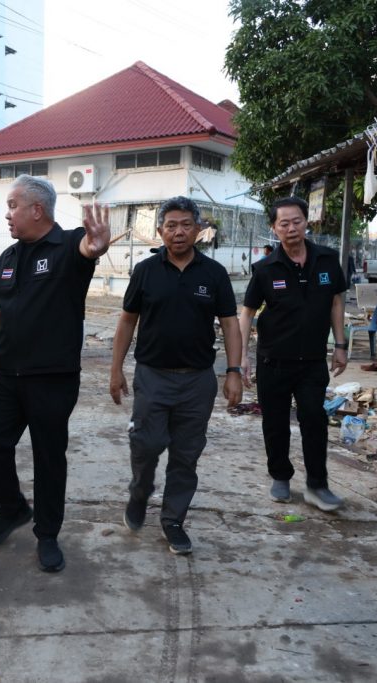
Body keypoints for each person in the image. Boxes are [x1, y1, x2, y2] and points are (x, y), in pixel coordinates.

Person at [0, 174, 110, 573]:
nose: (7, 214)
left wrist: (96, 246)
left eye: (12, 206)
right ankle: (13, 508)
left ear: (37, 209)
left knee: (48, 457)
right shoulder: (8, 257)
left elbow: (88, 249)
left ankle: (47, 535)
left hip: (52, 377)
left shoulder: (68, 245)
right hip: (5, 375)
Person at [109, 196, 242, 554]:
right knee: (146, 444)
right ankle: (140, 491)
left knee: (186, 454)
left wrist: (233, 371)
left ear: (198, 229)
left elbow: (230, 324)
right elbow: (127, 321)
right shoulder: (145, 271)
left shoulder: (213, 273)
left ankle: (173, 520)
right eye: (171, 225)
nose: (178, 232)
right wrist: (116, 369)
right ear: (160, 231)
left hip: (197, 381)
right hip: (152, 376)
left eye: (186, 225)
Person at [239, 197, 348, 513]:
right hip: (273, 360)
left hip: (312, 360)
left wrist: (340, 345)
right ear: (274, 228)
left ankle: (317, 485)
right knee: (275, 422)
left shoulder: (327, 260)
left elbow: (336, 303)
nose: (291, 228)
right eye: (284, 223)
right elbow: (247, 312)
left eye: (296, 221)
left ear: (306, 222)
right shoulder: (265, 268)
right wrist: (242, 356)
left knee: (314, 418)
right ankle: (280, 476)